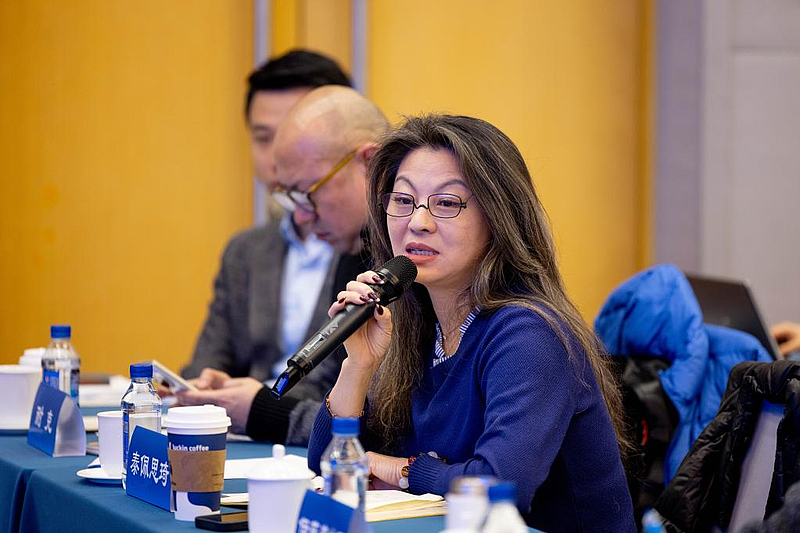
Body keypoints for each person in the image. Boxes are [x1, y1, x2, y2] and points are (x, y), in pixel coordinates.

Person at [306, 114, 636, 531]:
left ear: (498, 217)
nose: (417, 222)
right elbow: (326, 465)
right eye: (403, 201)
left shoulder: (529, 335)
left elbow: (500, 484)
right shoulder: (412, 322)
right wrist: (358, 367)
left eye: (447, 203)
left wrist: (402, 470)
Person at [178, 83, 389, 445]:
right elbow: (329, 392)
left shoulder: (405, 265)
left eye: (309, 194)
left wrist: (261, 409)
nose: (302, 216)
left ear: (368, 163)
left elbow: (385, 429)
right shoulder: (355, 251)